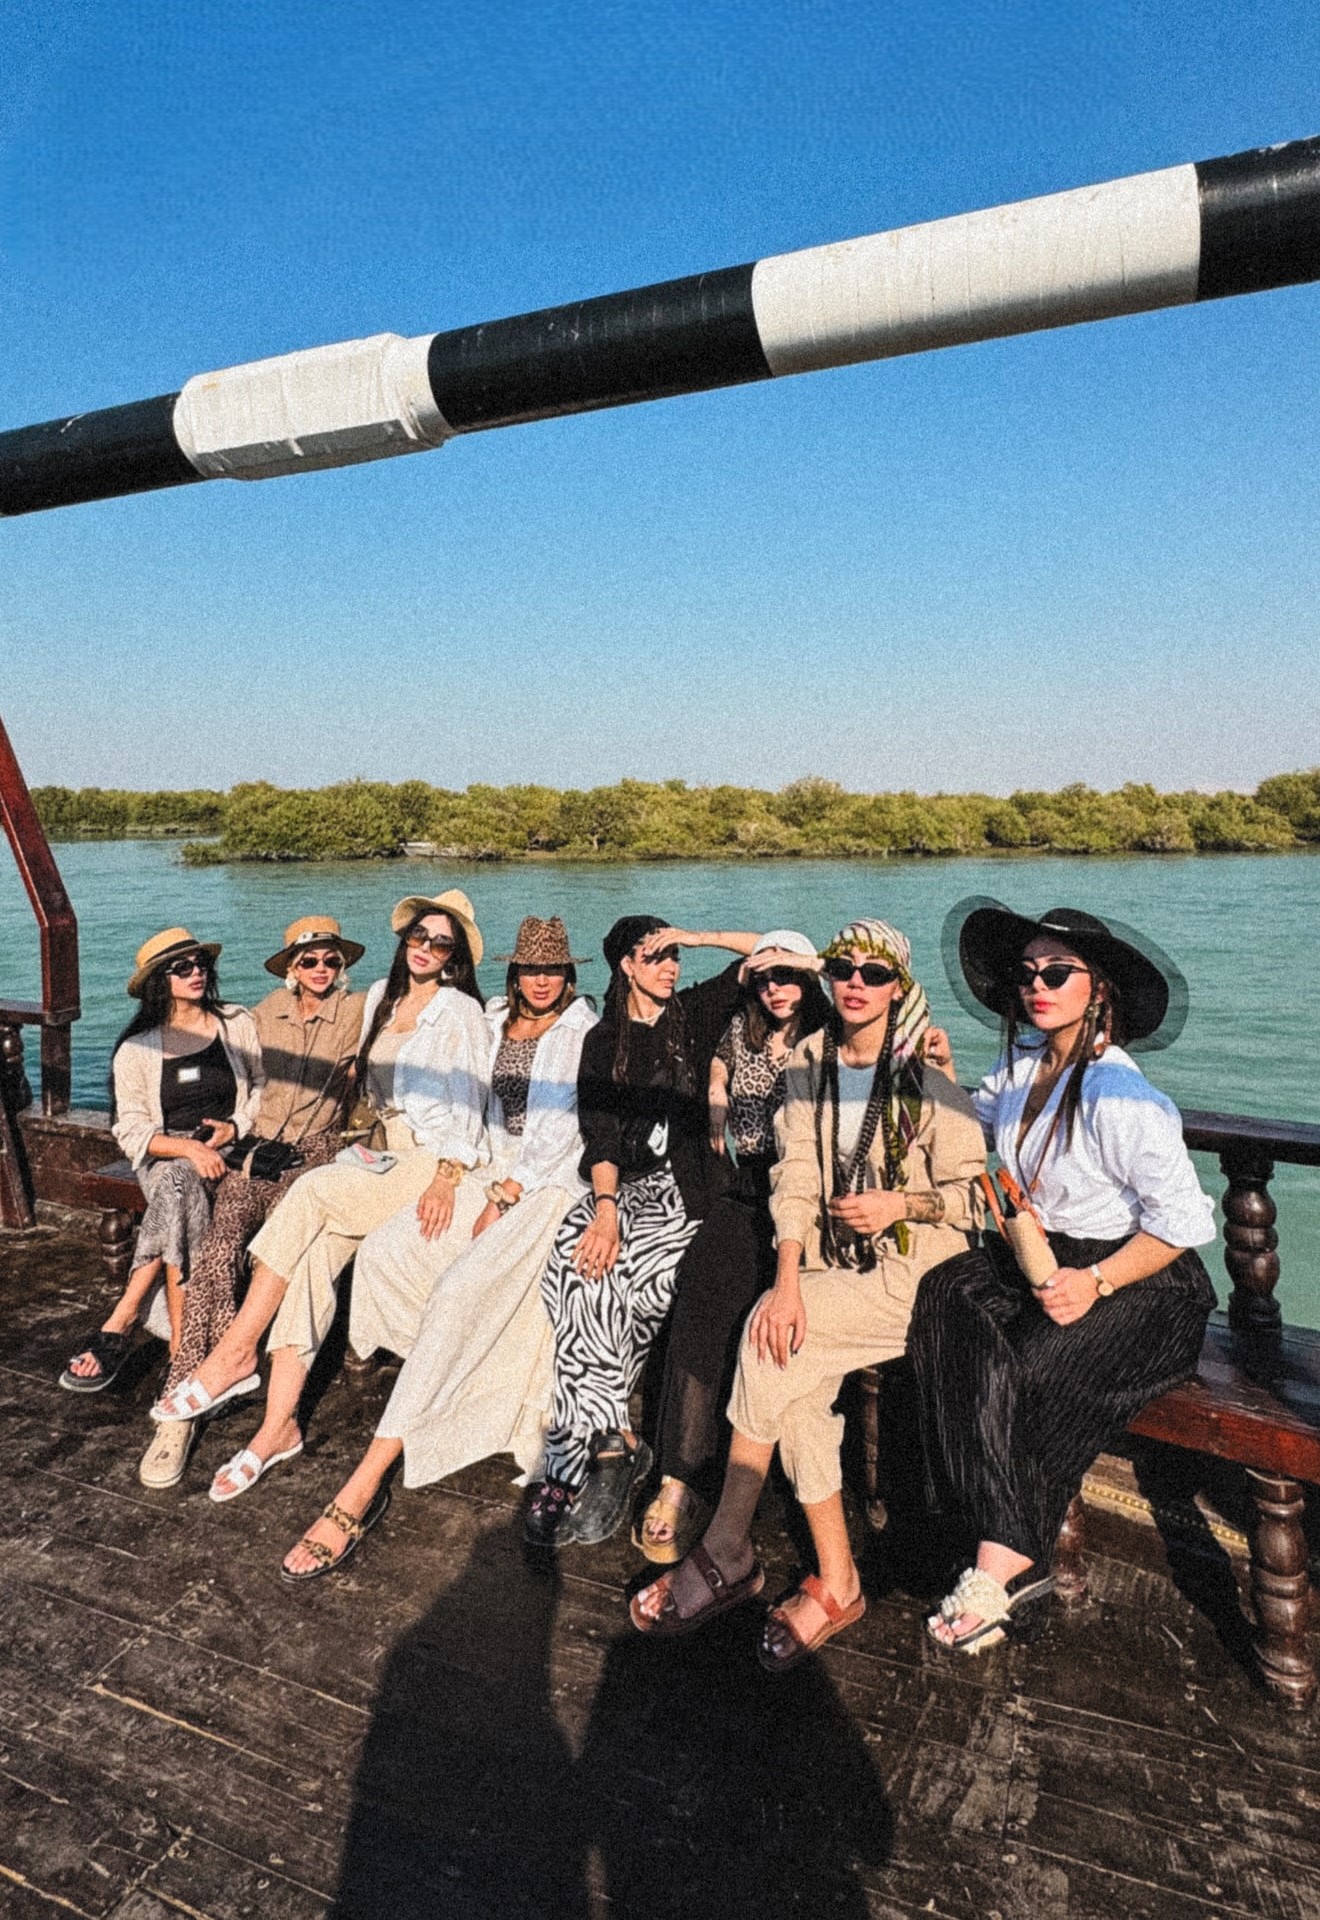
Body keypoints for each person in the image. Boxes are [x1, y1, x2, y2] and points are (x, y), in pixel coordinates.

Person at [630, 918, 985, 1672]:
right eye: (843, 968)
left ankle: (726, 1549)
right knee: (790, 1380)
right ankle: (838, 1580)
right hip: (829, 1267)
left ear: (898, 987)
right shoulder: (808, 1061)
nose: (856, 983)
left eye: (875, 973)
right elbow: (793, 1177)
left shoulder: (924, 1074)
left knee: (769, 1346)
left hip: (913, 1273)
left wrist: (900, 1204)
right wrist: (787, 1278)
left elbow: (975, 1197)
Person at [911, 898, 1217, 1653]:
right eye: (1027, 974)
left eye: (1057, 973)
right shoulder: (1023, 1067)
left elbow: (1182, 1224)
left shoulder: (1121, 1094)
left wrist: (1098, 1283)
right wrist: (939, 1073)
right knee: (944, 1295)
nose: (1036, 986)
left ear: (1098, 989)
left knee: (1032, 1365)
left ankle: (1004, 1558)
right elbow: (979, 1119)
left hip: (1140, 1277)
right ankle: (990, 1517)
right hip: (1046, 1256)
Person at [280, 915, 600, 1579]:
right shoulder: (493, 1018)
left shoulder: (579, 1031)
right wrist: (458, 1175)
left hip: (544, 1188)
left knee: (458, 1290)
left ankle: (364, 1480)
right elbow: (463, 1096)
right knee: (390, 1249)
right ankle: (432, 1378)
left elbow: (563, 1133)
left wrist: (505, 1194)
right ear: (514, 974)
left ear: (569, 976)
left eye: (553, 971)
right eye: (530, 970)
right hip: (489, 1166)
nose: (541, 982)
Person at [151, 890, 491, 1502]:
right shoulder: (382, 1000)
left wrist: (446, 1176)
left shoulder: (460, 1012)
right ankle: (277, 1429)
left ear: (455, 957)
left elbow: (471, 1102)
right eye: (418, 936)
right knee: (309, 1263)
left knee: (309, 1191)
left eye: (441, 943)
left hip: (431, 1160)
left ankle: (235, 1353)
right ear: (404, 941)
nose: (426, 948)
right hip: (382, 1153)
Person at [523, 916, 764, 1549]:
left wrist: (700, 935)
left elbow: (773, 950)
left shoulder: (695, 1013)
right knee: (574, 1268)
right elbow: (599, 1136)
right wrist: (605, 1210)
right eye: (655, 956)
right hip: (623, 1190)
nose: (670, 966)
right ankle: (601, 1444)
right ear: (626, 966)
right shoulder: (603, 1040)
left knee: (636, 1280)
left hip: (688, 1193)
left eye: (674, 955)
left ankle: (590, 1455)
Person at [137, 916, 367, 1488]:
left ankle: (239, 1376)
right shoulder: (259, 1016)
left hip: (315, 1153)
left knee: (274, 1250)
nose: (320, 969)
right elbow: (236, 1078)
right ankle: (191, 1383)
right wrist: (226, 1129)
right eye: (308, 960)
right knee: (219, 1247)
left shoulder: (360, 1011)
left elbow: (414, 1019)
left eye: (331, 960)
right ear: (291, 968)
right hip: (255, 1149)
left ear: (342, 966)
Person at [635, 929, 832, 1563]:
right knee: (698, 1298)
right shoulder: (741, 1029)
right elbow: (721, 1055)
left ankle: (738, 1481)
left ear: (810, 978)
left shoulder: (827, 1038)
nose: (776, 988)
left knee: (758, 1317)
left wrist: (699, 937)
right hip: (739, 1191)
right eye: (765, 978)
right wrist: (717, 1086)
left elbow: (832, 968)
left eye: (789, 976)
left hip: (802, 1199)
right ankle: (679, 1477)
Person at [59, 928, 261, 1393]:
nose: (196, 973)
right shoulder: (137, 1049)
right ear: (158, 981)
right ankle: (180, 1348)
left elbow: (262, 1088)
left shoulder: (236, 1023)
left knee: (177, 1190)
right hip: (169, 1154)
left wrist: (235, 1127)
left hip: (229, 1148)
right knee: (179, 1181)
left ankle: (124, 1319)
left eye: (200, 964)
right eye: (181, 968)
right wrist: (189, 1148)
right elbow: (131, 1130)